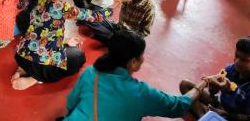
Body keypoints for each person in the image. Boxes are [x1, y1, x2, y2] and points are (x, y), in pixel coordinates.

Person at [61, 30, 207, 120]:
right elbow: (178, 105)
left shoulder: (91, 72)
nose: (143, 59)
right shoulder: (140, 93)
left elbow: (70, 103)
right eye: (141, 56)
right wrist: (203, 84)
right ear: (132, 62)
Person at [11, 0, 109, 90]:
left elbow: (43, 28)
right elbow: (94, 16)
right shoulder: (61, 7)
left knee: (63, 46)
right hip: (40, 64)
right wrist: (111, 9)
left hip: (20, 56)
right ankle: (35, 78)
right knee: (78, 57)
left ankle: (24, 69)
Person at [179, 36, 250, 120]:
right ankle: (203, 117)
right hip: (220, 104)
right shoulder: (231, 69)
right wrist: (212, 88)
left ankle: (206, 116)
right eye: (236, 56)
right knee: (185, 84)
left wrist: (224, 114)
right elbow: (214, 92)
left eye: (244, 60)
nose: (237, 62)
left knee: (190, 102)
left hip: (233, 116)